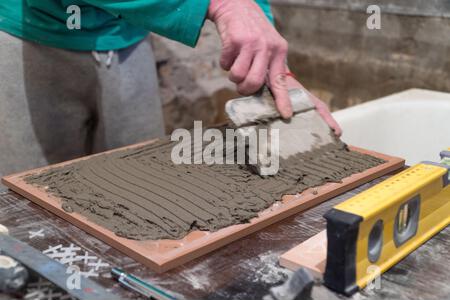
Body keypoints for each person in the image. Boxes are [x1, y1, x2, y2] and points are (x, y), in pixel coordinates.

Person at [0, 0, 341, 182]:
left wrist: (271, 65)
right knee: (29, 205)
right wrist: (218, 4)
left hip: (126, 36)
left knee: (135, 187)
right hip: (31, 33)